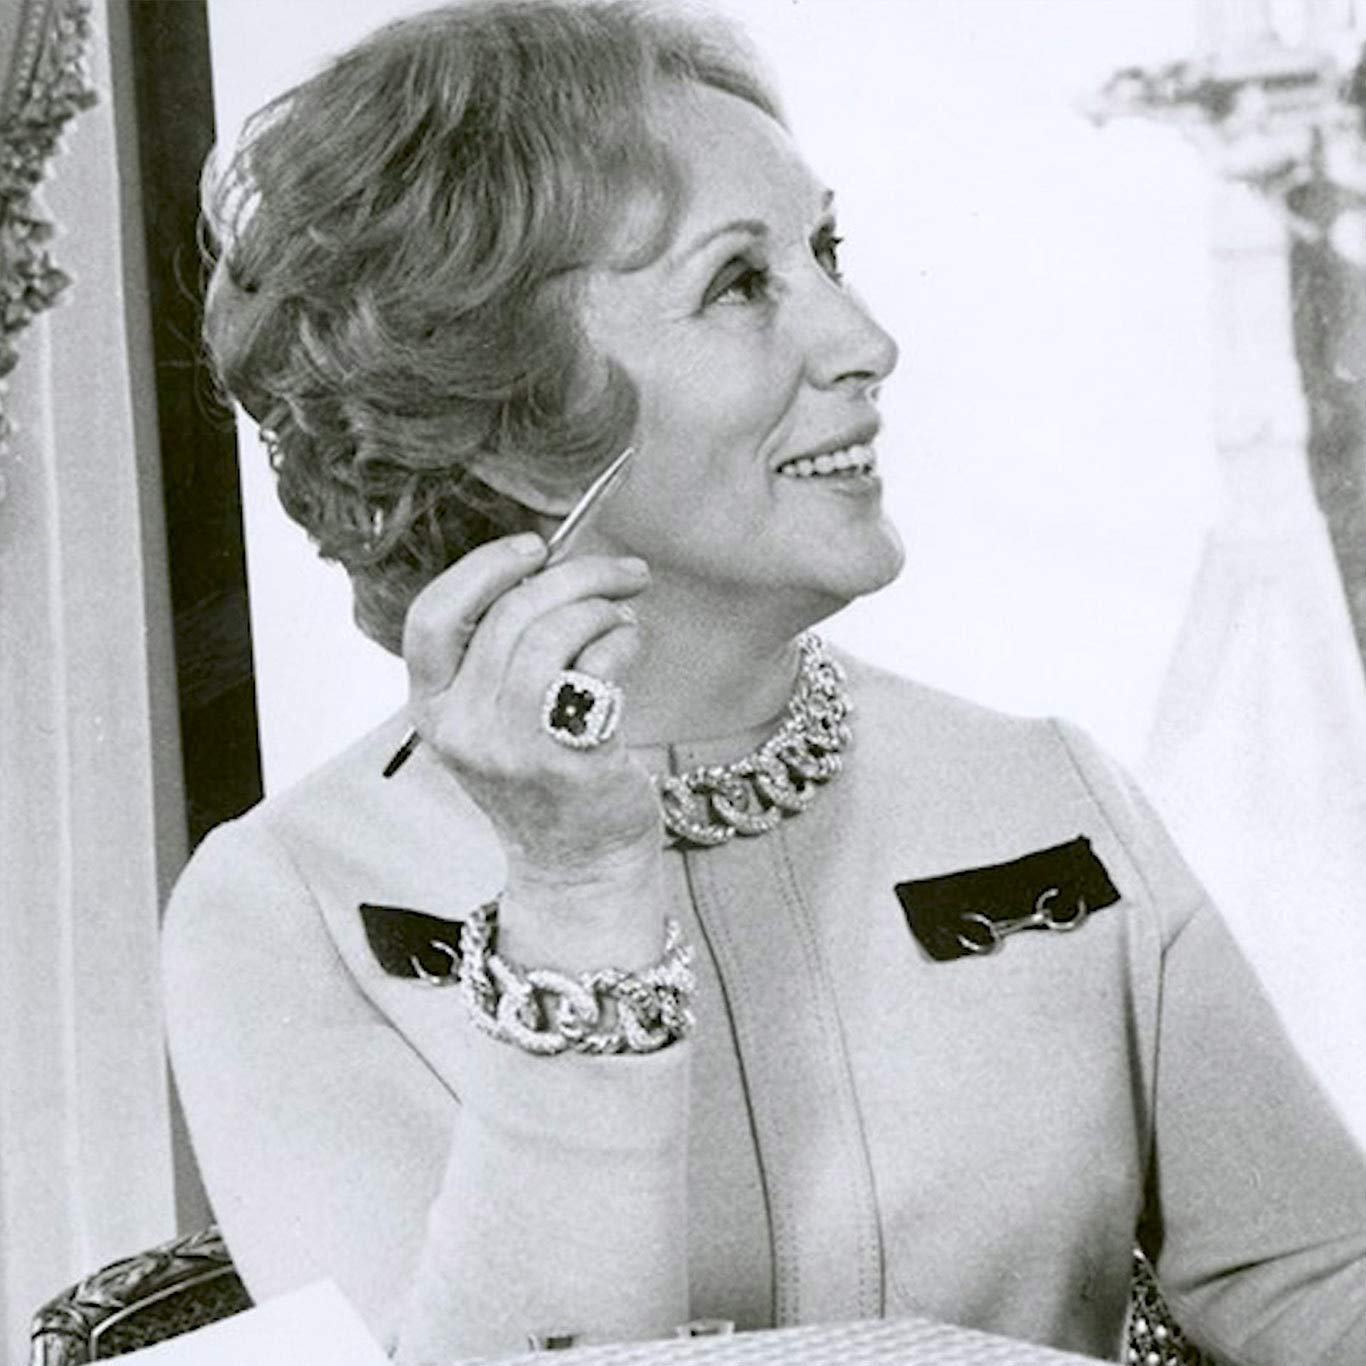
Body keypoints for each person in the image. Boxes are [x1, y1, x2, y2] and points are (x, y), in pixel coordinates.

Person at [162, 2, 1366, 1362]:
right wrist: (574, 890)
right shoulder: (285, 907)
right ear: (505, 415)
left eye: (825, 253)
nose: (865, 341)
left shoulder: (1043, 789)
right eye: (740, 283)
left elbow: (1311, 1277)